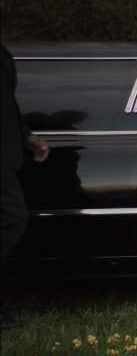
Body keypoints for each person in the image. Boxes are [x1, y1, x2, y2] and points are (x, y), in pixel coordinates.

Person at [1, 43, 49, 330]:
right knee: (13, 217)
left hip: (7, 156)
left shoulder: (3, 54)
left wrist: (27, 137)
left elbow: (7, 104)